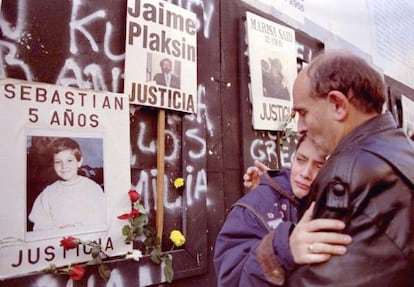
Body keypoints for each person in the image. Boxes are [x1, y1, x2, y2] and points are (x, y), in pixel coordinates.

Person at [287, 49, 414, 286]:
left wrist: (279, 256)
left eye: (303, 113)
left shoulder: (346, 171)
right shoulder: (402, 149)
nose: (300, 127)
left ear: (338, 105)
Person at [214, 135, 352, 286]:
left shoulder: (334, 205)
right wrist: (281, 250)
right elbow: (233, 281)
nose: (306, 173)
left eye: (319, 166)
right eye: (301, 160)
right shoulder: (251, 209)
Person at [29, 137, 106, 231]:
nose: (64, 166)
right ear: (53, 164)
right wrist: (56, 229)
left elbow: (100, 216)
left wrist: (76, 227)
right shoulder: (48, 192)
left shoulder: (92, 188)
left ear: (79, 162)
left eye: (69, 160)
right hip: (57, 240)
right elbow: (39, 219)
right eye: (58, 162)